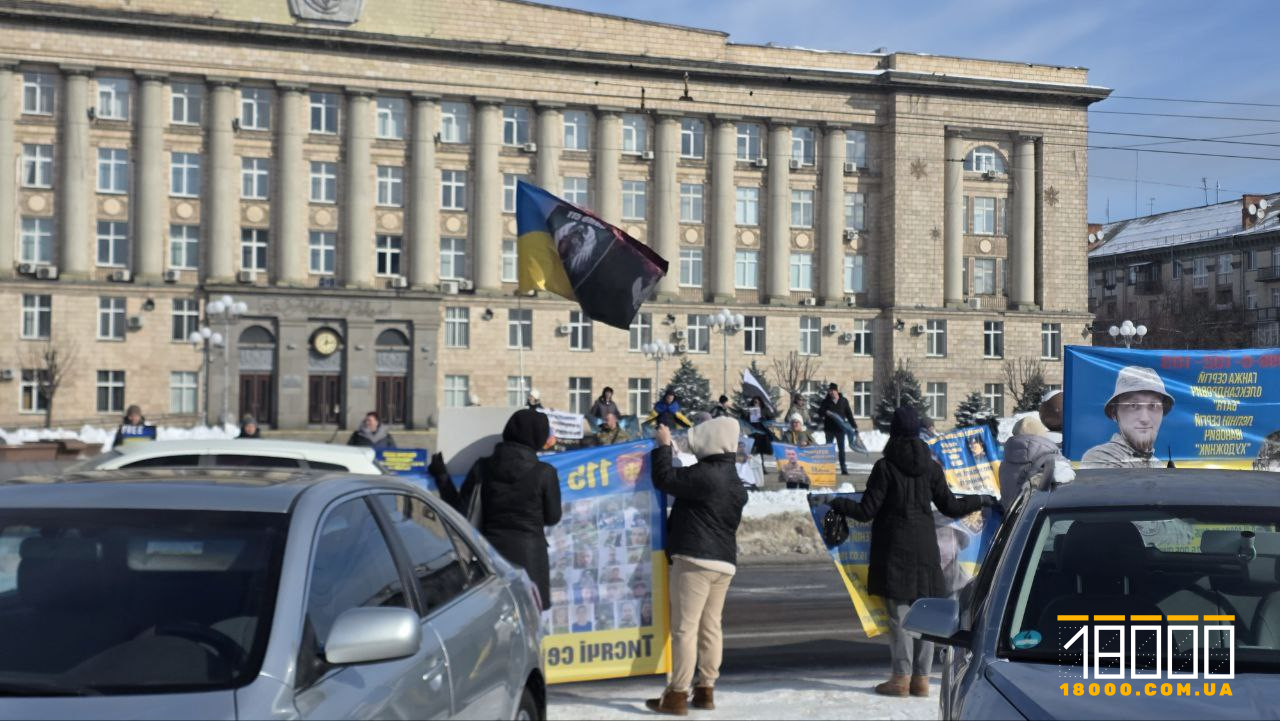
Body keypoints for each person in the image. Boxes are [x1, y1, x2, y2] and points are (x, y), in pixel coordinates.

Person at [828, 406, 996, 698]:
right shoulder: (931, 466)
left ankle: (900, 678)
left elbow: (866, 511)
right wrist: (980, 499)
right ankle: (921, 680)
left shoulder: (885, 467)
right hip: (925, 547)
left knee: (899, 615)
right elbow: (950, 506)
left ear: (893, 432)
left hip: (894, 547)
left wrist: (836, 502)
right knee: (926, 613)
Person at [645, 417, 747, 715]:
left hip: (694, 560)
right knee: (711, 626)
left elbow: (665, 479)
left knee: (684, 629)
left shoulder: (706, 475)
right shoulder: (734, 481)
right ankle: (706, 690)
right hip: (724, 563)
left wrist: (663, 447)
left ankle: (677, 694)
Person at [441, 408, 562, 609]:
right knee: (529, 615)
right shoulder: (545, 473)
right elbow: (553, 517)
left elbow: (461, 513)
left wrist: (441, 477)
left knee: (494, 614)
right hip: (531, 559)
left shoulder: (482, 467)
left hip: (490, 555)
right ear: (538, 438)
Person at [1081, 366, 1173, 468]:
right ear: (1114, 413)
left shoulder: (1157, 464)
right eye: (1133, 405)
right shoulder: (1100, 458)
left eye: (1153, 405)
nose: (1145, 419)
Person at [998, 415, 1074, 510]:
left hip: (1012, 516)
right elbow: (1067, 475)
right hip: (1040, 514)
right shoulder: (1050, 459)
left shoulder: (1006, 462)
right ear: (1041, 435)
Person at [818, 383, 859, 475]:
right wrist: (826, 412)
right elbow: (820, 412)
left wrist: (854, 426)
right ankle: (828, 468)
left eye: (833, 390)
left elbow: (849, 415)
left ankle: (843, 468)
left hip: (840, 430)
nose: (831, 392)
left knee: (841, 449)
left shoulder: (843, 401)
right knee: (829, 450)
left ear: (836, 391)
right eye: (830, 391)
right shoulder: (826, 401)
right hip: (829, 429)